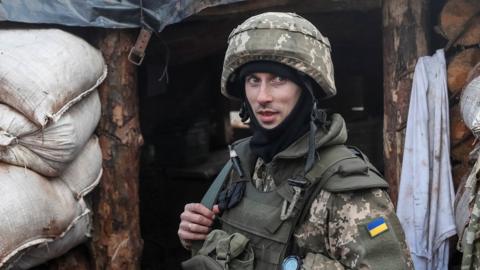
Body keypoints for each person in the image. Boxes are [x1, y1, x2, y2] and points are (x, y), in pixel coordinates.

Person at [178, 12, 414, 270]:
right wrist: (197, 235)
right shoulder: (242, 163)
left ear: (306, 89)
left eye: (278, 79)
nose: (263, 96)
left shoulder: (347, 187)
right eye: (253, 80)